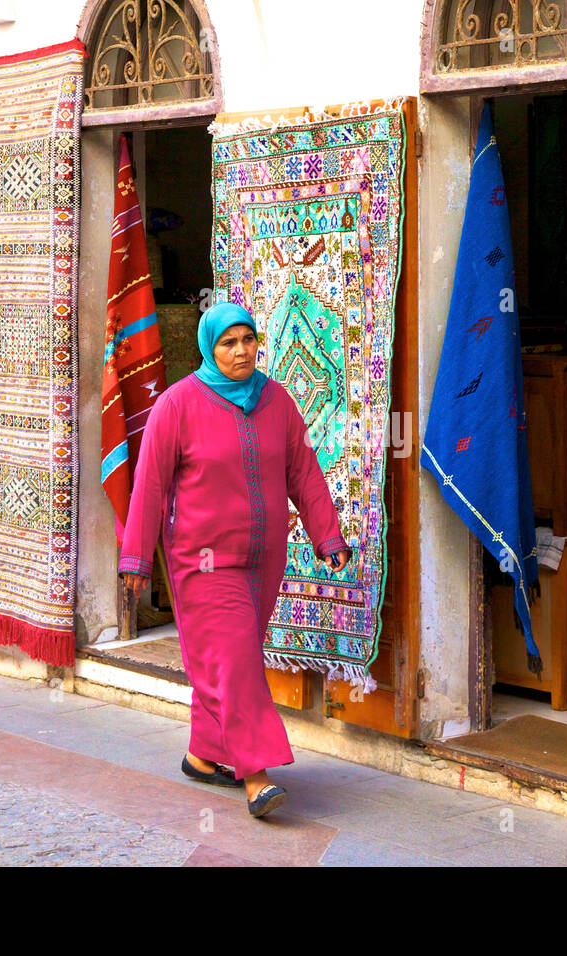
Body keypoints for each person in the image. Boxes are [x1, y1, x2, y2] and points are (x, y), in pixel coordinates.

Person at [119, 301, 351, 818]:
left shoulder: (276, 401)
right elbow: (150, 486)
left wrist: (327, 536)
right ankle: (256, 773)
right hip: (202, 564)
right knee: (238, 662)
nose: (242, 350)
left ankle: (203, 756)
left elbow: (304, 472)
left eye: (248, 339)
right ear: (209, 347)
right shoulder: (177, 405)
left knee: (227, 661)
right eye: (229, 342)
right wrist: (134, 559)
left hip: (263, 561)